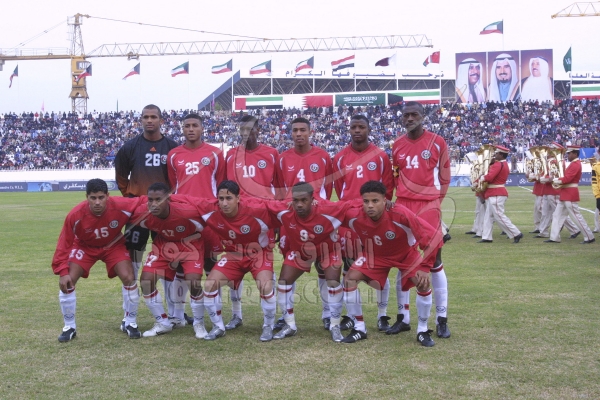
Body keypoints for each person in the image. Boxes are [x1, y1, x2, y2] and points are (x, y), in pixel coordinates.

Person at [340, 181, 439, 346]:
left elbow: (431, 237)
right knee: (349, 279)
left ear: (385, 200)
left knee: (423, 283)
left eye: (375, 201)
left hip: (405, 255)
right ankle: (359, 328)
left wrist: (425, 267)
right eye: (366, 201)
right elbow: (330, 211)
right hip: (375, 255)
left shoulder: (400, 213)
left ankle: (422, 330)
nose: (370, 205)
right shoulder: (354, 215)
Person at [184, 180, 280, 342]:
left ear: (238, 198)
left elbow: (283, 210)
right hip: (233, 255)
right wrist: (167, 198)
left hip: (259, 253)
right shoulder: (211, 210)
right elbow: (187, 199)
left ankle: (268, 326)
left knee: (265, 286)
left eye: (229, 198)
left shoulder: (256, 210)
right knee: (209, 285)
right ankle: (218, 327)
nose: (224, 203)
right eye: (221, 199)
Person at [51, 179, 143, 342]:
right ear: (86, 197)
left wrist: (178, 200)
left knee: (129, 277)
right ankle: (69, 327)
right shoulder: (75, 215)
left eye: (101, 197)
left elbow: (147, 200)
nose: (97, 202)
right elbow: (63, 243)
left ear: (108, 195)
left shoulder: (121, 205)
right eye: (93, 198)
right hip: (84, 246)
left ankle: (129, 322)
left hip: (113, 245)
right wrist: (62, 271)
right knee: (68, 280)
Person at [114, 104, 181, 324]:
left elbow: (177, 179)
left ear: (161, 120)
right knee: (132, 264)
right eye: (145, 117)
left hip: (165, 215)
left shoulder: (172, 147)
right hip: (138, 215)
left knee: (170, 264)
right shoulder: (130, 147)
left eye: (153, 117)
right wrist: (132, 199)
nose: (149, 120)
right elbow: (121, 176)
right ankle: (128, 314)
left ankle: (176, 314)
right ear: (140, 120)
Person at [266, 182, 357, 342]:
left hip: (327, 251)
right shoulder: (284, 209)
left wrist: (387, 203)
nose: (299, 204)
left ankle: (335, 325)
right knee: (283, 283)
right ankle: (290, 325)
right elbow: (260, 204)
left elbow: (353, 203)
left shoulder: (328, 209)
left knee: (333, 282)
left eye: (304, 200)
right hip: (301, 252)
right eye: (296, 200)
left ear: (312, 199)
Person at [391, 101, 450, 339]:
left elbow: (445, 177)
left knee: (434, 260)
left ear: (423, 117)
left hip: (428, 206)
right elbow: (395, 176)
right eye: (406, 115)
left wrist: (435, 203)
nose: (409, 119)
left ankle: (441, 318)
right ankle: (403, 317)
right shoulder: (397, 144)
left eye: (414, 114)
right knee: (402, 259)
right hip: (403, 205)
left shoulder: (437, 142)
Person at [332, 114, 394, 332]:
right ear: (349, 129)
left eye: (361, 127)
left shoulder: (380, 156)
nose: (357, 130)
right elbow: (339, 189)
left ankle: (382, 315)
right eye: (353, 127)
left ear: (369, 129)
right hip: (349, 221)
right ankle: (351, 315)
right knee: (349, 267)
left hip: (375, 220)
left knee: (380, 267)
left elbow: (387, 187)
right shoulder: (339, 157)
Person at [167, 113, 226, 326]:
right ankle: (178, 315)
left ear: (202, 128)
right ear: (182, 129)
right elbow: (173, 186)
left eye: (194, 125)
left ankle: (216, 313)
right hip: (183, 219)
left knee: (212, 265)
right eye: (187, 126)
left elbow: (221, 184)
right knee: (181, 267)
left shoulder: (215, 154)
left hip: (209, 218)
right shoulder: (173, 155)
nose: (191, 129)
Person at [275, 117, 334, 330]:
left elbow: (329, 188)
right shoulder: (282, 158)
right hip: (291, 221)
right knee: (288, 265)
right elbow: (280, 191)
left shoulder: (323, 156)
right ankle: (286, 316)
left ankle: (328, 314)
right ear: (290, 133)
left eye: (302, 130)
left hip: (318, 220)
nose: (299, 134)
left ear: (310, 132)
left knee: (323, 266)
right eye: (295, 130)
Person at [224, 115, 280, 330]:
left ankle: (271, 317)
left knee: (265, 266)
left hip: (263, 221)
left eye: (250, 129)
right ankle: (236, 315)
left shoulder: (271, 154)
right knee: (234, 268)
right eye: (243, 129)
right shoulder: (231, 155)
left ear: (258, 130)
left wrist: (277, 222)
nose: (246, 133)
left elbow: (279, 189)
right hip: (236, 220)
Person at [133, 183, 208, 339]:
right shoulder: (142, 213)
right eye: (150, 200)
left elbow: (206, 223)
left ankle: (199, 323)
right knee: (146, 280)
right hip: (164, 245)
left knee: (193, 281)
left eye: (158, 200)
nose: (154, 204)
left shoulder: (187, 212)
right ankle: (162, 322)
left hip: (189, 244)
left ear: (168, 199)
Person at [546, 145, 595, 244]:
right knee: (557, 215)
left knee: (576, 216)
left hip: (570, 193)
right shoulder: (573, 164)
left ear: (575, 154)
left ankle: (589, 236)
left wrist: (555, 179)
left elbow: (567, 179)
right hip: (566, 193)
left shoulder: (576, 164)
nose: (567, 155)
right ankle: (554, 237)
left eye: (569, 153)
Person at [478, 146, 523, 243]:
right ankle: (486, 237)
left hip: (496, 193)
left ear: (501, 155)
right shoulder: (503, 164)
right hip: (496, 192)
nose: (495, 155)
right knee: (488, 216)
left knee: (499, 216)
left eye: (497, 153)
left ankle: (516, 233)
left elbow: (490, 177)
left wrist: (482, 177)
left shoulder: (498, 164)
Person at [591, 154, 600, 233]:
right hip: (599, 194)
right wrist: (597, 195)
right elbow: (595, 182)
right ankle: (597, 228)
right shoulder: (596, 166)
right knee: (597, 213)